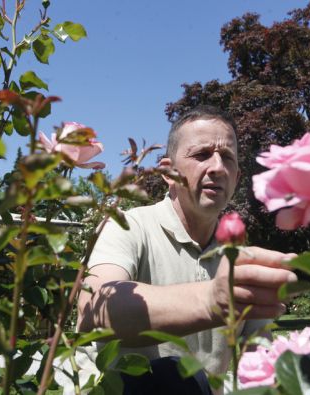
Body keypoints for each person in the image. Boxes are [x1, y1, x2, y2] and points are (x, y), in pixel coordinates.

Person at [77, 105, 297, 394]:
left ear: (237, 179)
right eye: (202, 154)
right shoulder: (127, 227)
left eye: (227, 158)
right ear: (168, 172)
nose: (218, 167)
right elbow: (95, 309)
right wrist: (212, 300)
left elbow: (257, 356)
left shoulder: (236, 255)